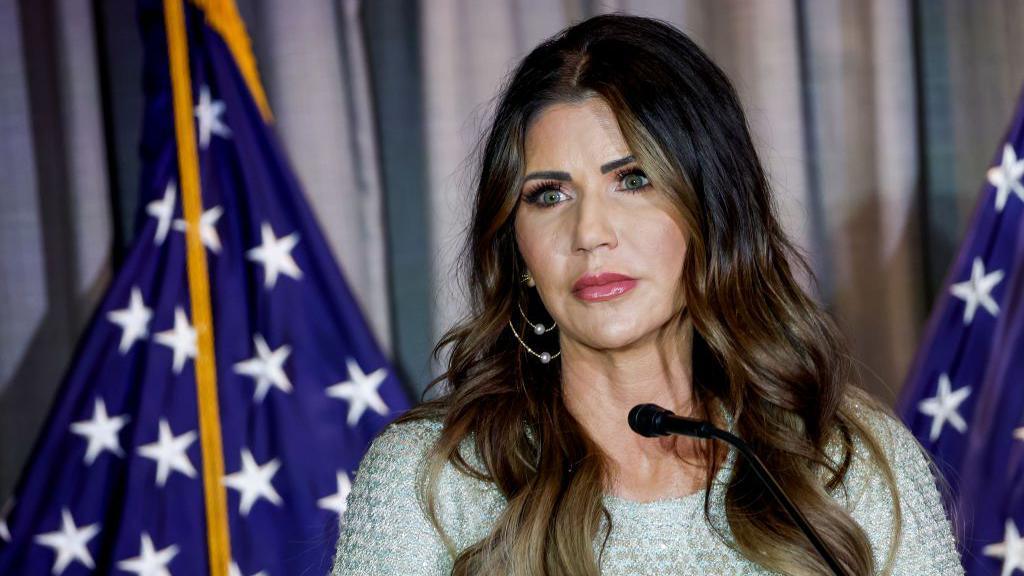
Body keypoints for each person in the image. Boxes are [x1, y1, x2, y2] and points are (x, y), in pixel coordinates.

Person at [331, 13, 963, 576]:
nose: (589, 234)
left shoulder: (842, 461)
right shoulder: (431, 481)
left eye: (632, 180)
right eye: (549, 195)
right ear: (516, 249)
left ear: (711, 214)